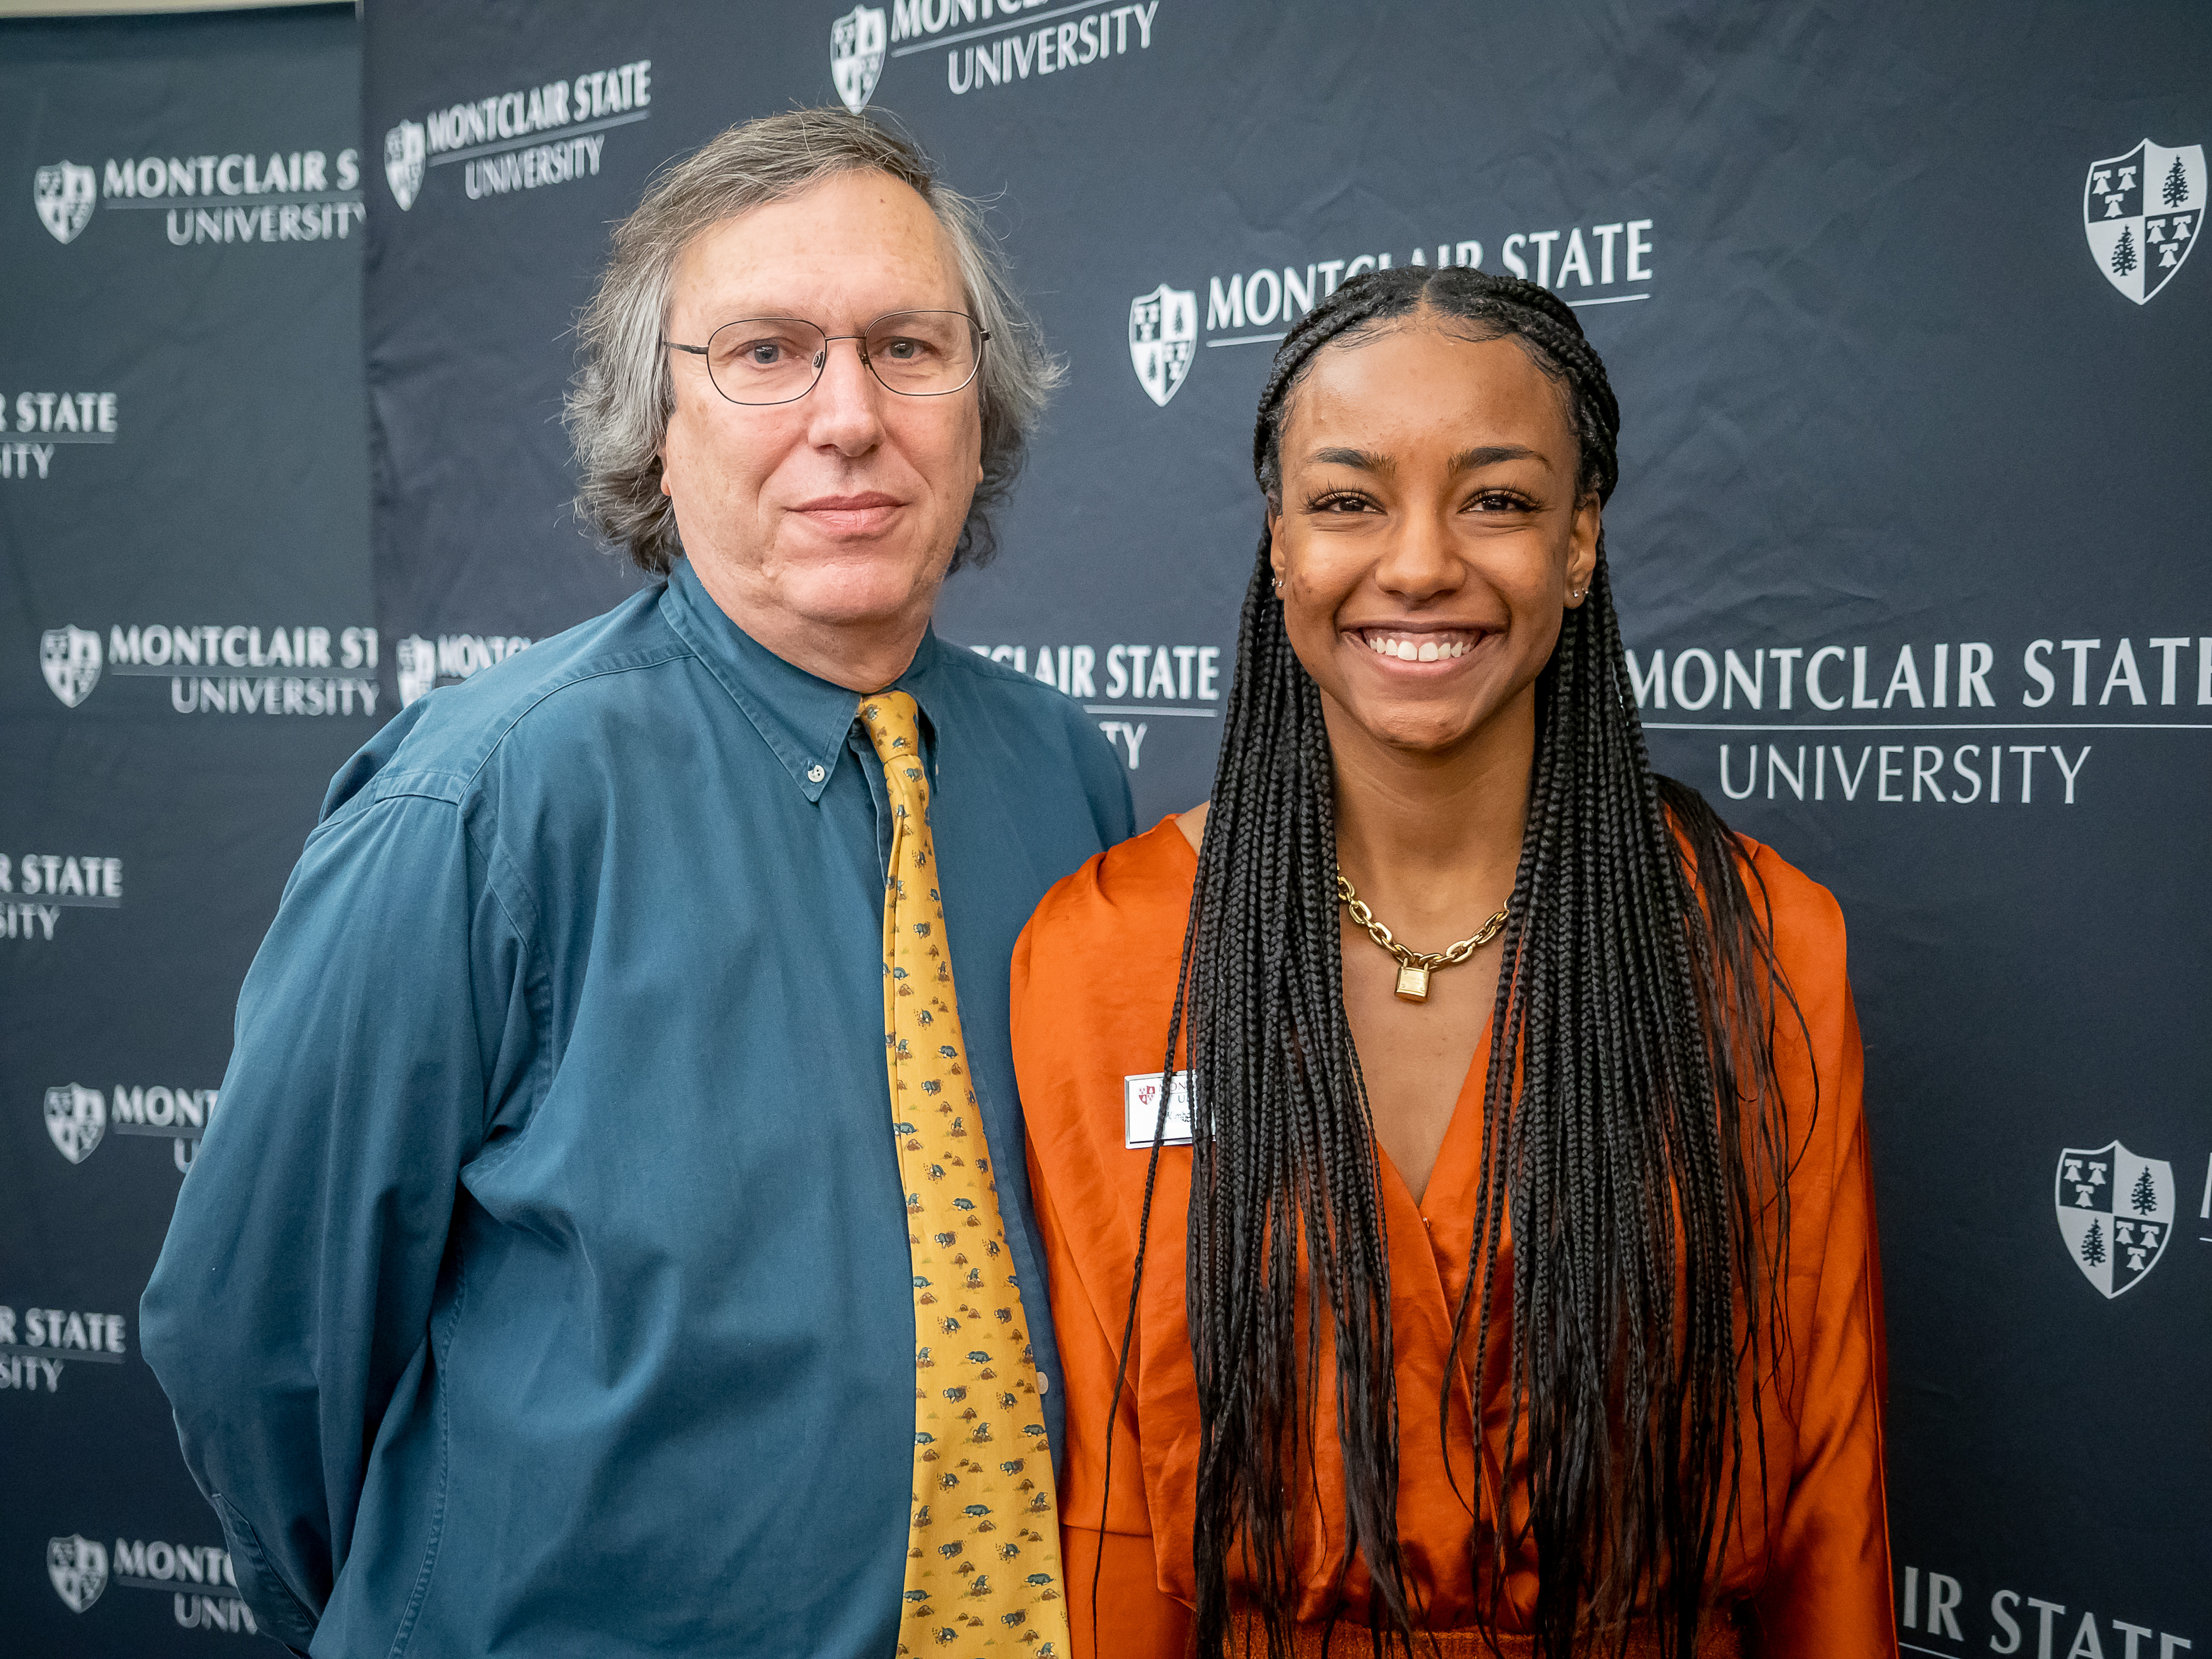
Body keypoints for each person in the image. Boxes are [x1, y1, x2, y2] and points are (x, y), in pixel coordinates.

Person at [141, 110, 1130, 1658]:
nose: (851, 416)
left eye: (908, 347)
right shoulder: (480, 800)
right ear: (652, 425)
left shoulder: (1063, 774)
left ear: (981, 402)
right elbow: (257, 1335)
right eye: (766, 351)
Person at [1013, 267, 1893, 1659]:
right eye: (1350, 498)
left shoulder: (1766, 946)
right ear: (1281, 543)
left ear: (1582, 539)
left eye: (1496, 498)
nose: (1419, 561)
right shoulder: (1104, 952)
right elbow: (1117, 1524)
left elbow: (1832, 1497)